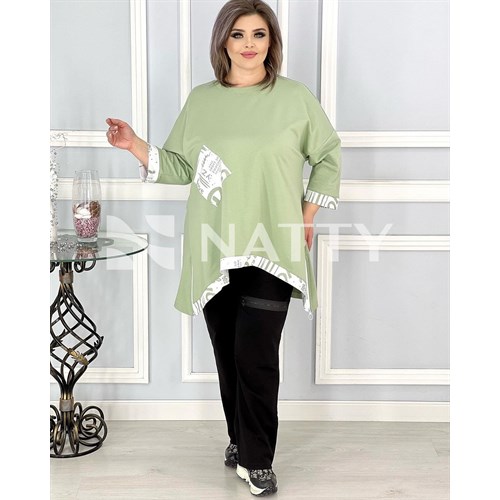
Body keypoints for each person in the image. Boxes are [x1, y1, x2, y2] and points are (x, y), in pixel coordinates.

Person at [106, 0, 341, 496]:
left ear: (272, 42)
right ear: (223, 42)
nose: (249, 44)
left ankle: (258, 461)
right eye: (239, 34)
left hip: (272, 245)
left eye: (259, 34)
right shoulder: (202, 101)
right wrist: (134, 144)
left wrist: (306, 215)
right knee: (229, 354)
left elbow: (328, 155)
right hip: (214, 245)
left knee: (257, 356)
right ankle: (240, 438)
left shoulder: (295, 98)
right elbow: (179, 166)